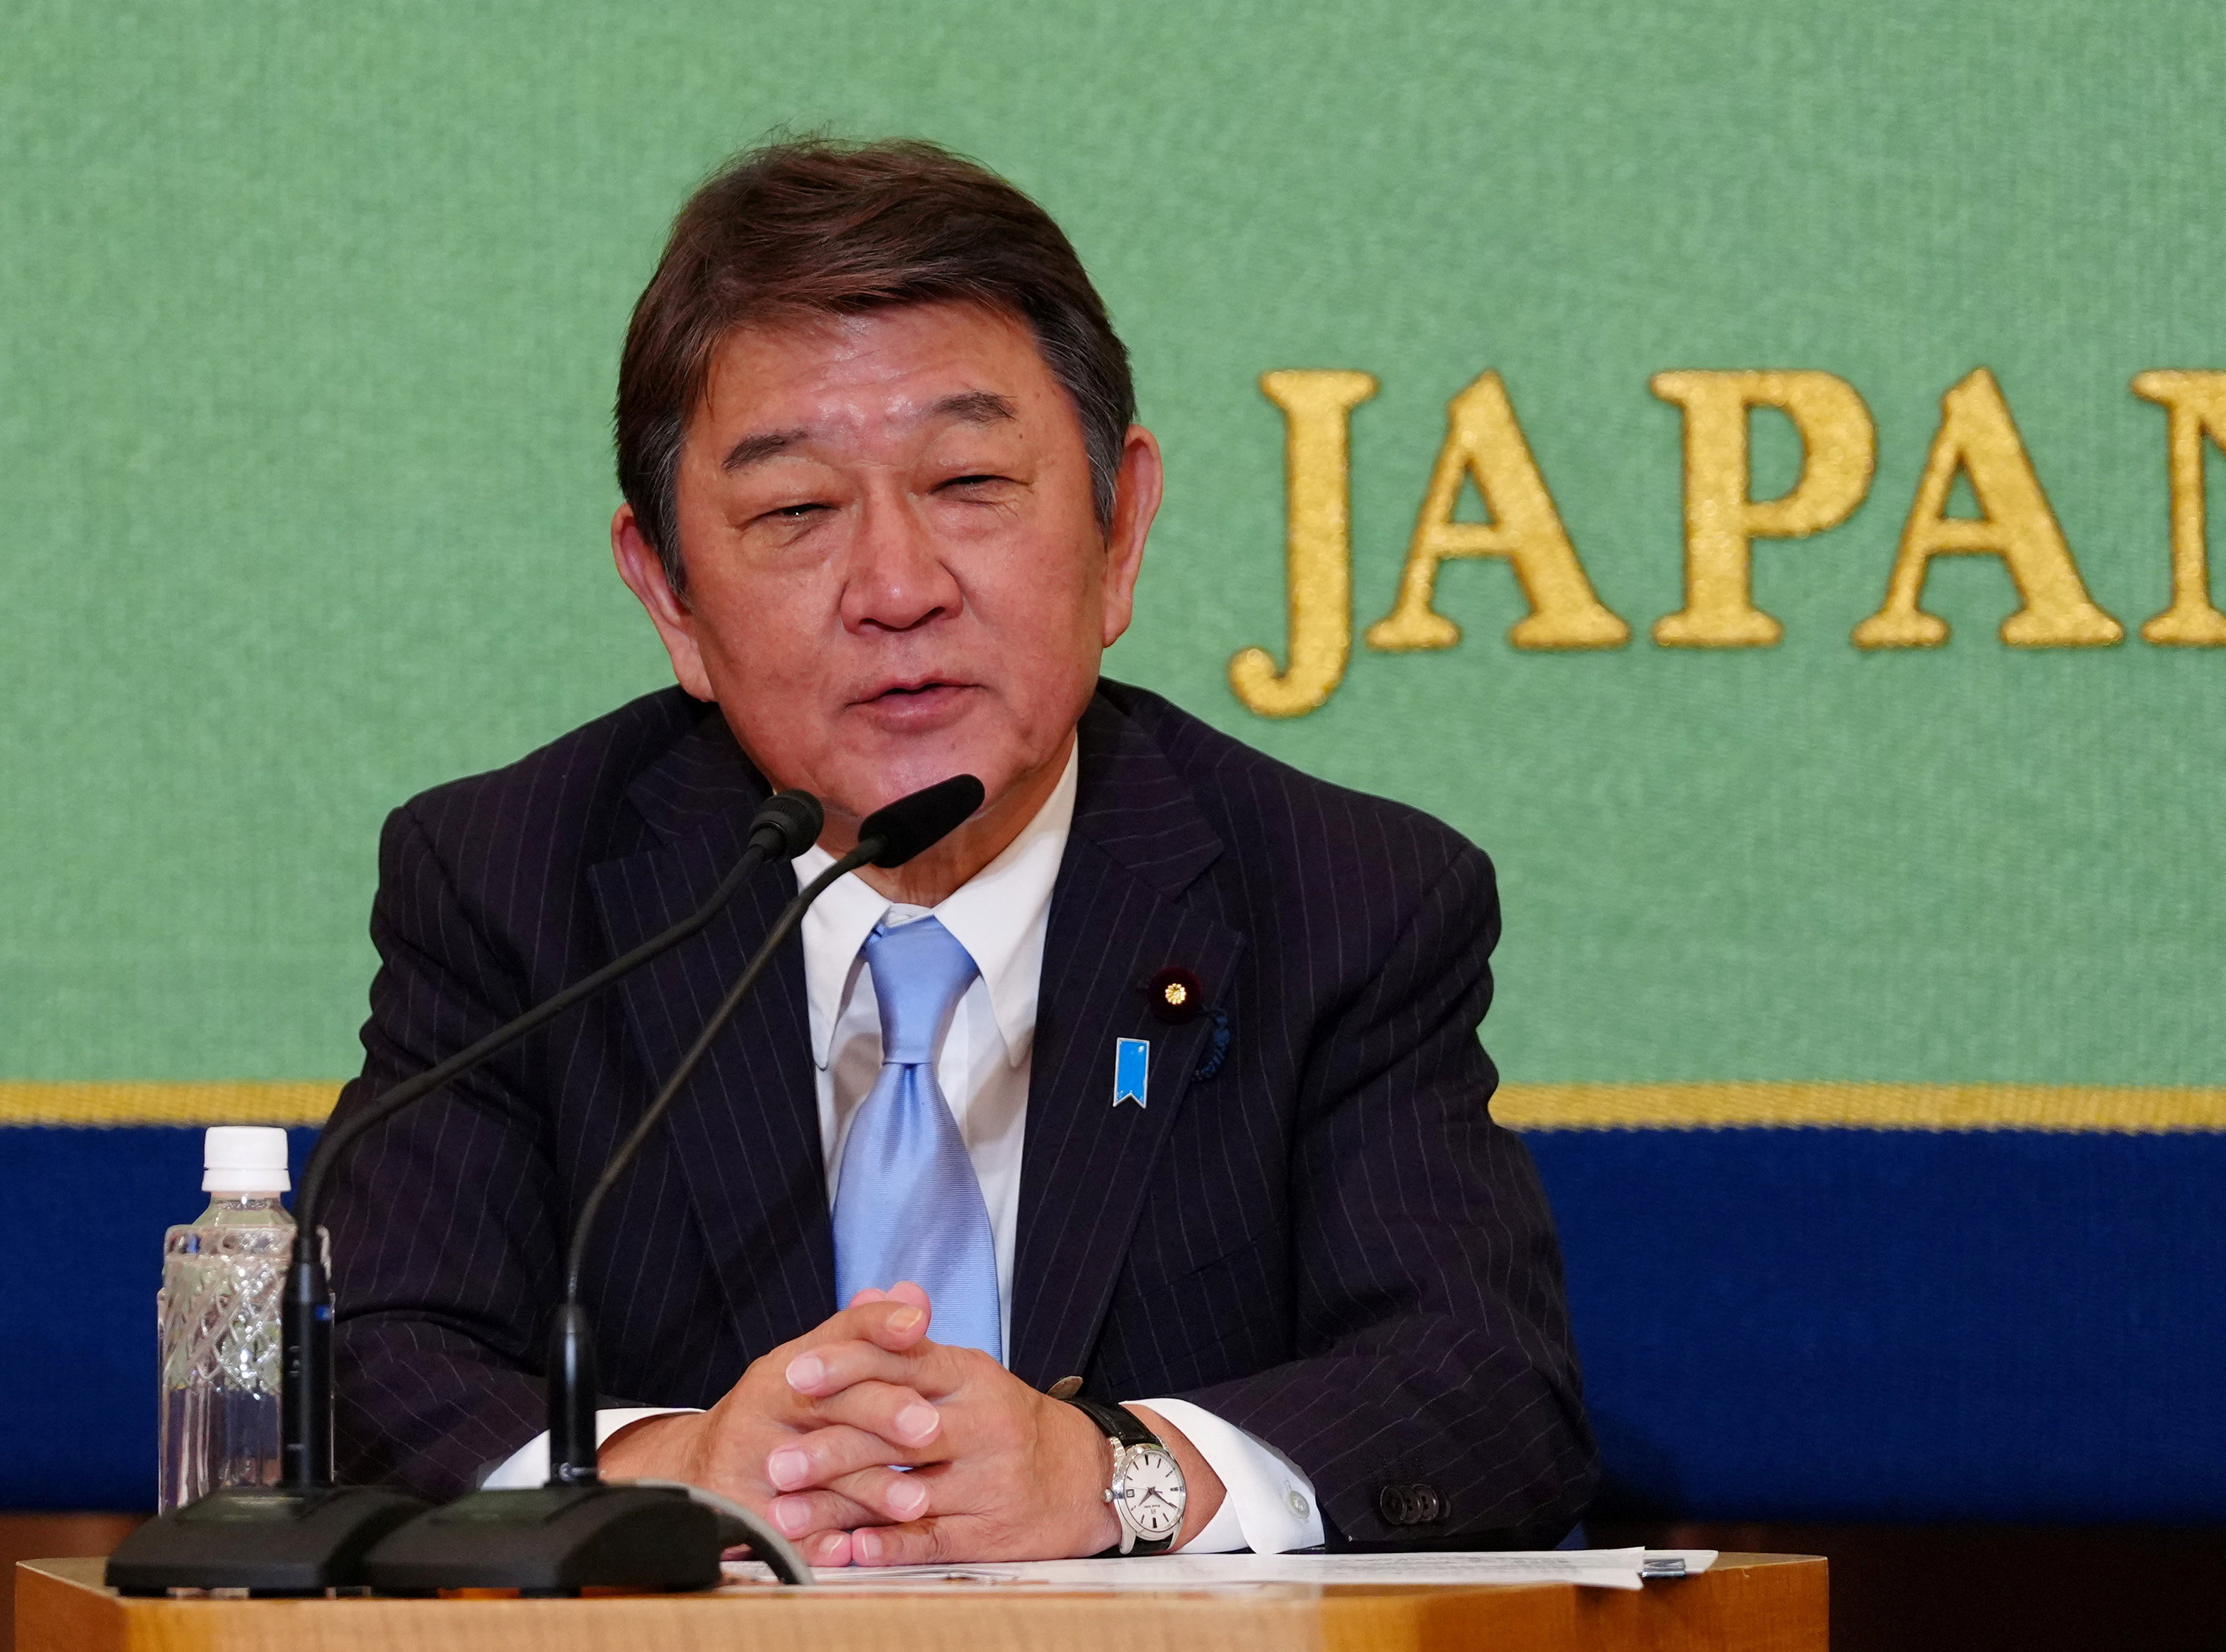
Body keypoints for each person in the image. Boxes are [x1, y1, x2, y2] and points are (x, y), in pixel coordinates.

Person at [325, 137, 1595, 1566]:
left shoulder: (1343, 898)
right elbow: (365, 1362)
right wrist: (665, 1471)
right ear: (669, 597)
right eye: (797, 511)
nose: (897, 588)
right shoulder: (516, 884)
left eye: (971, 482)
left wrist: (1118, 1477)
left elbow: (1486, 1395)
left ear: (1119, 535)